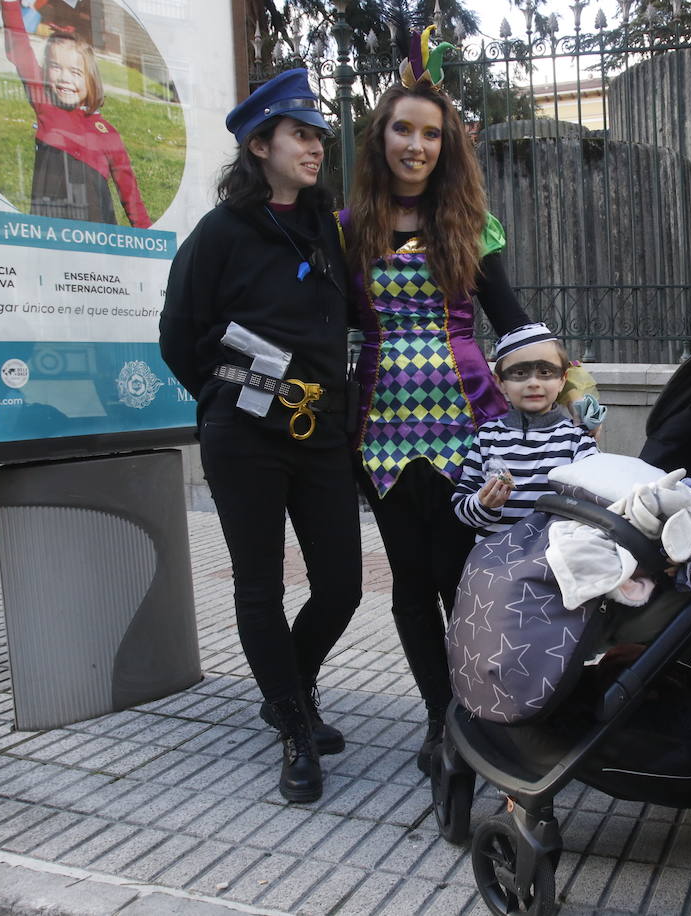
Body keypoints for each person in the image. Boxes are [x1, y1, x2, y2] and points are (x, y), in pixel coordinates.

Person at [158, 69, 359, 804]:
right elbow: (179, 336)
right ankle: (297, 733)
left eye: (318, 136)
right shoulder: (219, 235)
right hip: (245, 436)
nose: (315, 148)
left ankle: (289, 692)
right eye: (301, 134)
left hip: (323, 431)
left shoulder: (328, 232)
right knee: (259, 586)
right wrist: (225, 401)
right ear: (258, 144)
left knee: (341, 585)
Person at [340, 27, 532, 776]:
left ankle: (477, 715)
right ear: (381, 136)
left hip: (469, 432)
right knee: (411, 587)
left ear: (446, 145)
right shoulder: (346, 231)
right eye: (402, 130)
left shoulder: (469, 227)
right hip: (379, 433)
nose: (415, 146)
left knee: (464, 584)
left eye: (430, 134)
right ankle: (436, 719)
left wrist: (562, 385)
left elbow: (513, 321)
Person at [0, 0, 151, 227]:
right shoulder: (46, 106)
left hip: (96, 234)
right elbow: (19, 48)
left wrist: (147, 235)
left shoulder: (107, 133)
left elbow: (129, 191)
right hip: (51, 230)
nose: (64, 79)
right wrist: (11, 4)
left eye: (75, 72)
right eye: (55, 67)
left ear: (90, 81)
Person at [451, 323, 599, 540]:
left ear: (562, 380)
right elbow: (461, 505)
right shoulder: (487, 437)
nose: (533, 383)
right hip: (494, 560)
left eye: (545, 372)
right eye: (520, 373)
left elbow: (595, 502)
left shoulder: (577, 440)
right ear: (500, 383)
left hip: (554, 559)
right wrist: (483, 504)